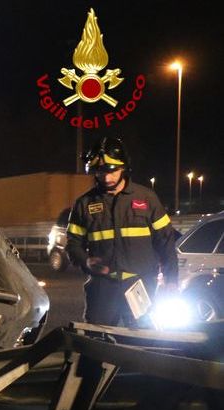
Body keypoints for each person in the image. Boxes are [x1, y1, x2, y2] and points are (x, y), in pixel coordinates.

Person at [65, 137, 179, 326]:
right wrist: (85, 261)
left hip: (140, 286)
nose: (106, 178)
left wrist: (171, 280)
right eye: (100, 172)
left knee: (140, 346)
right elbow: (73, 244)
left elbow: (166, 241)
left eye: (112, 171)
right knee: (95, 344)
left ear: (124, 168)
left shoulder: (147, 198)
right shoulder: (84, 204)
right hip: (103, 286)